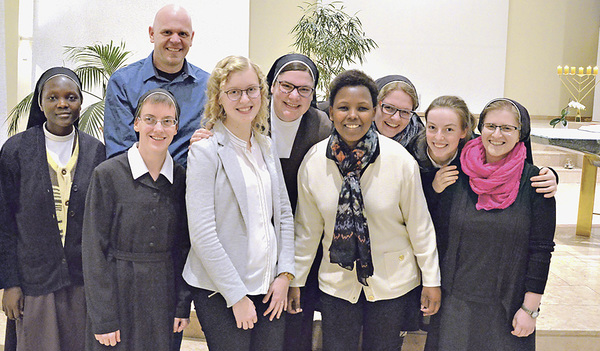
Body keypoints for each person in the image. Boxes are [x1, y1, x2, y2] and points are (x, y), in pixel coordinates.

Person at [189, 53, 331, 350]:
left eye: (252, 89)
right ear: (219, 98)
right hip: (222, 290)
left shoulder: (265, 145)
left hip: (269, 286)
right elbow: (202, 234)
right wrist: (236, 296)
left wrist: (284, 275)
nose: (245, 99)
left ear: (262, 93)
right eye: (234, 92)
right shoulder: (205, 151)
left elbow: (283, 214)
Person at [291, 69, 441, 351]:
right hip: (337, 282)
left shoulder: (399, 161)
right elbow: (307, 231)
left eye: (362, 108)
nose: (352, 115)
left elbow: (420, 226)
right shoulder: (314, 162)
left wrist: (431, 280)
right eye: (343, 107)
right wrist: (295, 279)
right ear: (331, 111)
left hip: (392, 282)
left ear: (373, 111)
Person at [424, 98, 556, 351]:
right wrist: (434, 191)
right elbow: (433, 234)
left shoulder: (536, 183)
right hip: (455, 304)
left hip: (506, 306)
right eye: (490, 126)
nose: (497, 134)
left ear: (521, 134)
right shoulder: (454, 175)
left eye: (507, 128)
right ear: (480, 128)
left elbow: (541, 250)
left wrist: (530, 308)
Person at [0, 67, 105, 351]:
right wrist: (9, 284)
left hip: (81, 281)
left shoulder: (96, 152)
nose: (62, 104)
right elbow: (5, 223)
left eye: (71, 97)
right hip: (35, 281)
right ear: (40, 102)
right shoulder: (16, 151)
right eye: (53, 97)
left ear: (80, 102)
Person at [83, 89, 190, 350]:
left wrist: (182, 304)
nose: (159, 128)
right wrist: (104, 318)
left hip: (163, 297)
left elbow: (186, 247)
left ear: (176, 128)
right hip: (118, 294)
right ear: (136, 123)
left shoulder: (182, 178)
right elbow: (93, 250)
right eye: (150, 119)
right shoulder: (107, 175)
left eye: (167, 121)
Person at [103, 4, 209, 167]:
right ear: (152, 34)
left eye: (183, 34)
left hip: (190, 188)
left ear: (191, 38)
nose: (175, 40)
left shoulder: (208, 87)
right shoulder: (123, 83)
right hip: (137, 188)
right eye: (167, 32)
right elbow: (120, 154)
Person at [373, 75, 424, 147]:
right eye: (389, 108)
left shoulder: (422, 147)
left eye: (405, 112)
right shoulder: (354, 137)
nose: (396, 118)